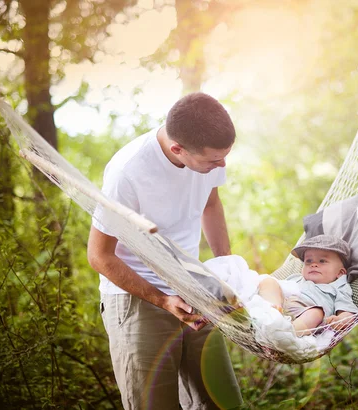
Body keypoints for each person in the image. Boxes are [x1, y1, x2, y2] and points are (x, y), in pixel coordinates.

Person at [87, 92, 242, 409]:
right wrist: (161, 299)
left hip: (194, 287)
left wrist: (225, 267)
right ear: (177, 150)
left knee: (223, 402)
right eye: (214, 160)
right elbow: (100, 255)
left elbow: (210, 204)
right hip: (137, 297)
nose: (222, 165)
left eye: (224, 156)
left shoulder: (208, 155)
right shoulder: (127, 173)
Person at [258, 234, 358, 335]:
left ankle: (288, 334)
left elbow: (346, 310)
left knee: (316, 313)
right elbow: (277, 289)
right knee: (268, 281)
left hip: (307, 314)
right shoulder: (296, 278)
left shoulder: (339, 286)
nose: (313, 264)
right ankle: (273, 311)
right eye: (308, 261)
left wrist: (341, 320)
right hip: (283, 306)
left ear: (340, 273)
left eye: (322, 261)